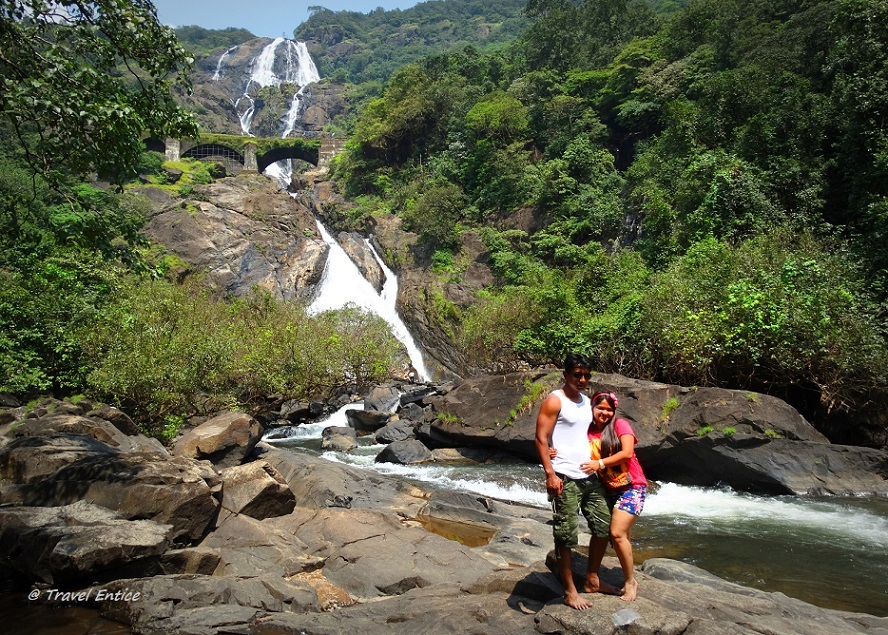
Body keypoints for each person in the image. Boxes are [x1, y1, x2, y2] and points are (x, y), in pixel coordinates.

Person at [535, 353, 619, 610]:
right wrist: (550, 472)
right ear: (566, 375)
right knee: (566, 534)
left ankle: (592, 579)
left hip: (589, 475)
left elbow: (595, 430)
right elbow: (540, 437)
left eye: (586, 375)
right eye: (577, 375)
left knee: (604, 526)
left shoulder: (586, 402)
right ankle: (570, 591)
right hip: (564, 476)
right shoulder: (554, 400)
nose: (582, 379)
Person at [581, 391, 648, 601]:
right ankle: (596, 579)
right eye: (600, 408)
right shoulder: (586, 430)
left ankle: (631, 582)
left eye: (609, 409)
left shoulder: (620, 425)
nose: (604, 413)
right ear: (592, 408)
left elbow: (627, 452)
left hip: (633, 487)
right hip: (608, 489)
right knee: (619, 536)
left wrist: (599, 463)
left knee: (617, 533)